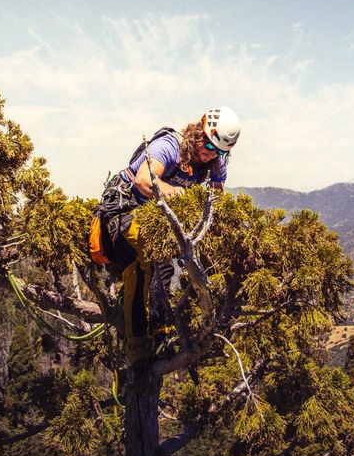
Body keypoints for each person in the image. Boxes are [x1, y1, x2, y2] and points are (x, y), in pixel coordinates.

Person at [90, 107, 241, 362]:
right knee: (148, 262)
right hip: (123, 211)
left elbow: (216, 201)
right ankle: (137, 351)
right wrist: (170, 190)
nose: (209, 154)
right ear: (199, 132)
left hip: (155, 219)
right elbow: (143, 181)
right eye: (208, 145)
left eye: (218, 151)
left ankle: (163, 324)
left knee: (171, 264)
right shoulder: (169, 146)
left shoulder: (215, 163)